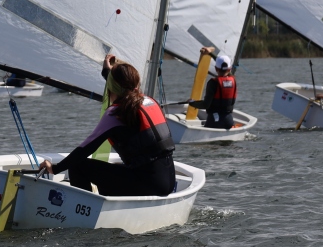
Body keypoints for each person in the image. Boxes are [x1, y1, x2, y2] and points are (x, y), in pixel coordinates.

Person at [36, 56, 176, 197]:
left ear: (111, 86)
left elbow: (85, 149)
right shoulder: (150, 101)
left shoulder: (116, 113)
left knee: (77, 166)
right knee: (112, 171)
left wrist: (55, 168)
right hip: (167, 183)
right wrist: (107, 72)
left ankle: (87, 207)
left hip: (149, 184)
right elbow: (123, 87)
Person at [188, 52, 238, 129]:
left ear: (216, 68)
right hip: (229, 121)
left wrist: (192, 103)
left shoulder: (213, 83)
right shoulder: (233, 80)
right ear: (230, 69)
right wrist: (211, 54)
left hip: (214, 121)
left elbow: (206, 105)